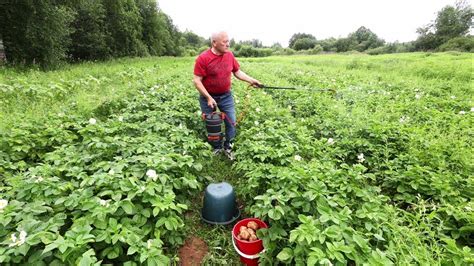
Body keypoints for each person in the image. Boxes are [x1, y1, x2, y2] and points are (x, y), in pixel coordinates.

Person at [193, 31, 261, 160]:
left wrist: (252, 80)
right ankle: (217, 147)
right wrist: (208, 97)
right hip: (207, 96)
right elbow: (197, 80)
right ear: (214, 43)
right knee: (212, 124)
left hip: (225, 96)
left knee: (231, 121)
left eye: (228, 41)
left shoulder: (229, 55)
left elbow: (237, 72)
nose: (228, 44)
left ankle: (228, 146)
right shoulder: (203, 58)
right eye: (225, 42)